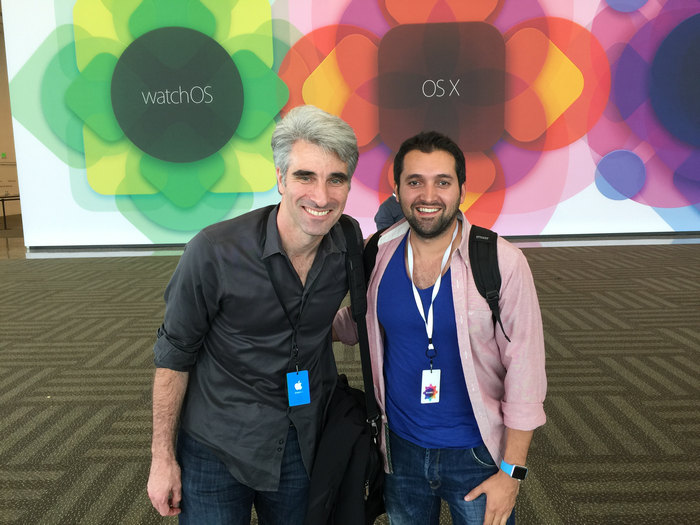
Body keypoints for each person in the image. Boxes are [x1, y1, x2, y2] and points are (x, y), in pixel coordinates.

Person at [147, 105, 359, 525]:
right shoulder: (214, 252)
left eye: (336, 179)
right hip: (219, 444)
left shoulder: (348, 243)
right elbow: (174, 356)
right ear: (280, 179)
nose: (321, 197)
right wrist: (162, 458)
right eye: (305, 176)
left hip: (302, 439)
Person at [334, 131, 547, 525]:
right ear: (397, 190)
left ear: (462, 189)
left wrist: (511, 474)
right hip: (400, 451)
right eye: (415, 181)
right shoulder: (377, 252)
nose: (428, 195)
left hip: (478, 454)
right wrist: (295, 324)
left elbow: (526, 375)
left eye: (442, 182)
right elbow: (362, 321)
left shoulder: (501, 262)